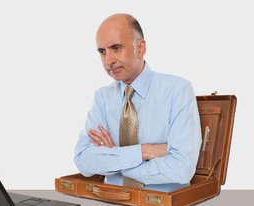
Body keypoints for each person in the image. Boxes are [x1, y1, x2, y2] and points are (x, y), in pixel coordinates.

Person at [74, 14, 202, 192]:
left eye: (116, 48)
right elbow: (84, 160)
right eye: (102, 52)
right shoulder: (102, 97)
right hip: (109, 203)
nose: (108, 61)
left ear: (140, 48)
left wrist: (114, 156)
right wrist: (145, 151)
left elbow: (181, 169)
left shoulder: (177, 90)